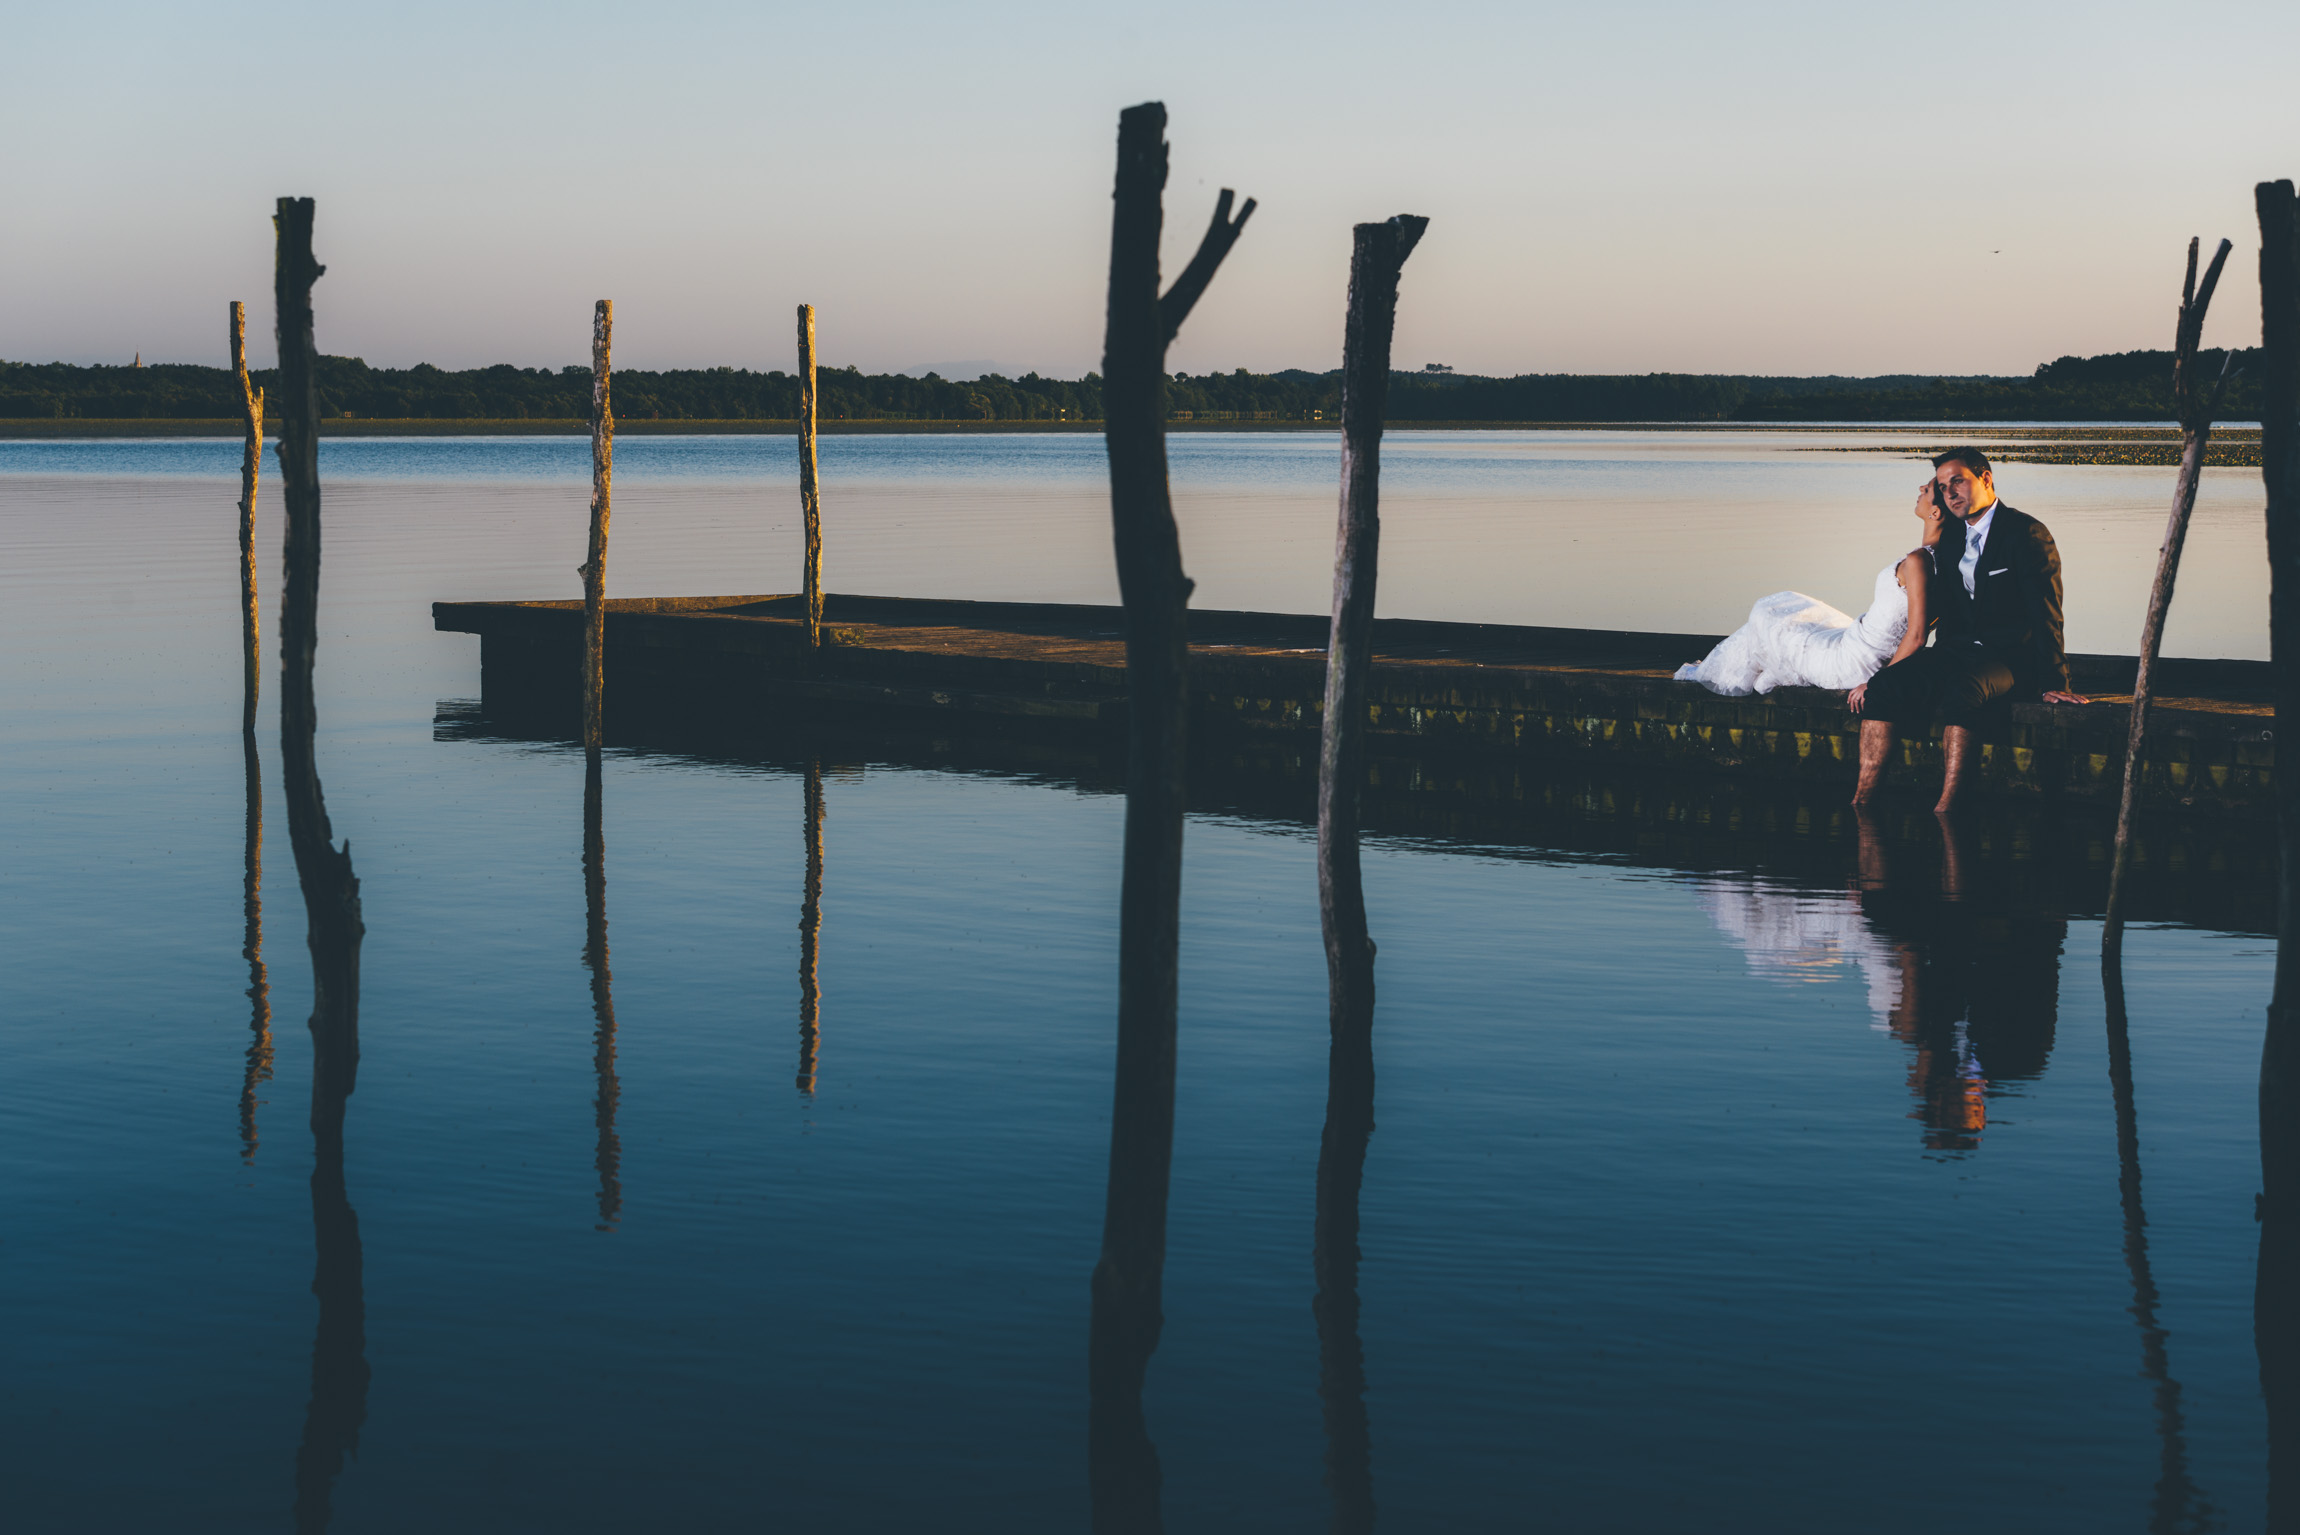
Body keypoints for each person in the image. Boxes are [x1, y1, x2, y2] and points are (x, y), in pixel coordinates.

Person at [1850, 448, 2087, 812]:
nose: (1950, 492)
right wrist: (1898, 668)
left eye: (1958, 481)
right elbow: (1939, 613)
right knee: (1883, 687)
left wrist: (2056, 682)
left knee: (1962, 692)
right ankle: (1862, 802)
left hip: (2009, 658)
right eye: (1943, 487)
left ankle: (1946, 810)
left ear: (1986, 479)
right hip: (1957, 650)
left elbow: (2047, 613)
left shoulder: (2026, 534)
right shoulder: (1953, 538)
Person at [1674, 488, 1944, 696]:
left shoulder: (1919, 561)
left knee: (1768, 612)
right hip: (1859, 645)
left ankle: (1726, 675)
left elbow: (1917, 635)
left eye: (1928, 490)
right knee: (1789, 609)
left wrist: (1878, 684)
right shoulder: (1946, 561)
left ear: (1935, 514)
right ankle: (1758, 673)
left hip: (1853, 663)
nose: (1921, 487)